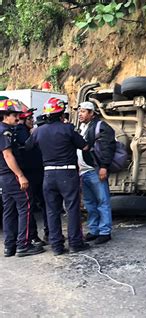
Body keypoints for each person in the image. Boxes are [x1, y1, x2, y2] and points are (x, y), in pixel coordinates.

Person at [26, 97, 89, 255]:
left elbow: (27, 147)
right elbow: (85, 146)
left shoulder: (38, 131)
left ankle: (57, 247)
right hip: (67, 173)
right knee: (72, 208)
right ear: (62, 113)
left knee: (52, 210)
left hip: (48, 174)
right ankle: (75, 243)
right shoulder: (67, 129)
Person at [0, 99, 45, 257]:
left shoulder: (7, 130)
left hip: (4, 177)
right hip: (11, 176)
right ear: (5, 116)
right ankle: (23, 245)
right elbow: (7, 155)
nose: (18, 118)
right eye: (14, 115)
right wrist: (20, 175)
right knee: (25, 208)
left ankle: (10, 246)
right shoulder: (5, 131)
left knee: (9, 210)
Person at [77, 101, 115, 244]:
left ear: (92, 113)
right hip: (83, 171)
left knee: (102, 201)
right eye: (80, 110)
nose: (80, 113)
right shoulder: (81, 127)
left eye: (84, 111)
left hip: (95, 170)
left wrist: (104, 166)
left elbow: (107, 148)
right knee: (89, 203)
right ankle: (94, 230)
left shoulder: (101, 126)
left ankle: (105, 231)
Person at [14, 103, 48, 245]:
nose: (32, 120)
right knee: (31, 206)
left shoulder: (22, 131)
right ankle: (34, 236)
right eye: (30, 118)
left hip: (33, 174)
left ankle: (42, 234)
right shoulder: (21, 132)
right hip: (31, 175)